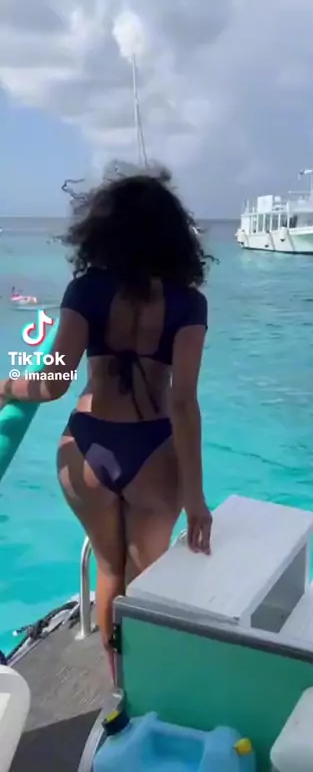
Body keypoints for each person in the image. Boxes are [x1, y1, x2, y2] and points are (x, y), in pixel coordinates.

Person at [0, 165, 213, 679]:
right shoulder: (189, 303)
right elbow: (183, 403)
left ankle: (116, 683)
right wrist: (196, 498)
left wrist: (6, 386)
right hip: (154, 450)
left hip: (86, 446)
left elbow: (53, 383)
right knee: (145, 582)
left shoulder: (86, 291)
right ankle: (143, 684)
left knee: (109, 571)